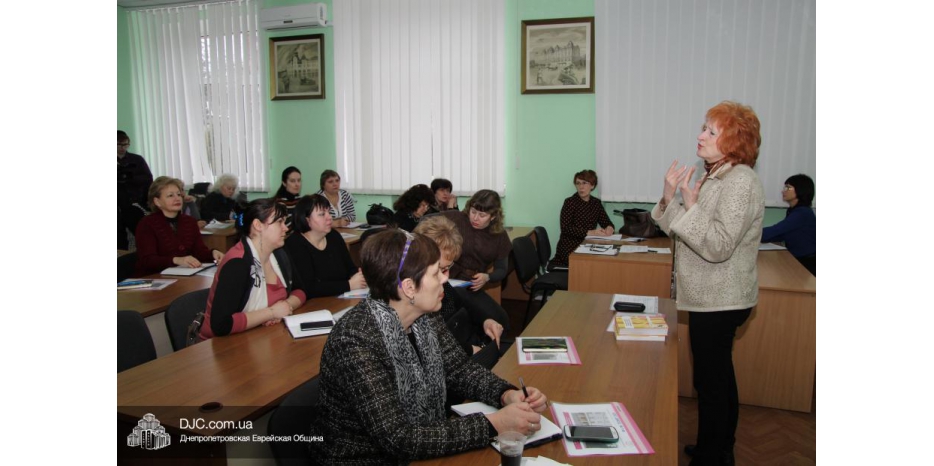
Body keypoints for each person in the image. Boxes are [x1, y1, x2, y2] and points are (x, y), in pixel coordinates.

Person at [309, 229, 547, 463]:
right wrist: (496, 424)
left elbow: (459, 369)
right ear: (409, 287)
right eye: (437, 273)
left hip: (418, 448)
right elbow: (399, 438)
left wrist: (506, 394)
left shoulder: (424, 315)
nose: (446, 278)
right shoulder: (355, 340)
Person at [651, 101, 764, 466]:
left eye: (711, 131)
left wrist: (691, 206)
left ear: (733, 140)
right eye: (704, 128)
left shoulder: (740, 181)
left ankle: (715, 456)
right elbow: (682, 231)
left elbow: (716, 246)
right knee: (713, 378)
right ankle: (712, 446)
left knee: (713, 383)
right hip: (708, 298)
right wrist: (671, 197)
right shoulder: (717, 175)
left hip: (722, 299)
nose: (700, 136)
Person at [199, 199, 306, 340]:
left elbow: (301, 290)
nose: (285, 228)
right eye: (279, 222)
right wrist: (271, 313)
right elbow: (221, 325)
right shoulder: (238, 263)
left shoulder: (278, 253)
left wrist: (286, 306)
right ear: (257, 225)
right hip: (222, 346)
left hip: (262, 336)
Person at [414, 216, 510, 371]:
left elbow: (462, 306)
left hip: (468, 352)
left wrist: (485, 321)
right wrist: (472, 350)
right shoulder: (416, 302)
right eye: (439, 269)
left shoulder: (443, 287)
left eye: (447, 268)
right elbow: (438, 346)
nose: (445, 277)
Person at [441, 190, 513, 339]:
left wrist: (487, 277)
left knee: (501, 319)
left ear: (493, 216)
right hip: (445, 280)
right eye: (473, 212)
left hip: (470, 285)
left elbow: (502, 269)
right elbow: (425, 224)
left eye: (482, 215)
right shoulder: (456, 219)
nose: (475, 218)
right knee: (470, 316)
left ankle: (489, 349)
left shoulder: (499, 236)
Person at [134, 177, 224, 276]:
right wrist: (176, 260)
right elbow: (147, 260)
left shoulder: (190, 221)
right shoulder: (147, 224)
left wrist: (213, 253)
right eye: (170, 196)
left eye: (179, 194)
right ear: (157, 201)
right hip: (154, 278)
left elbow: (200, 252)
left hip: (184, 277)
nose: (177, 198)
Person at [283, 194, 367, 298]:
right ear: (307, 219)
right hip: (314, 304)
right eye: (322, 214)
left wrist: (359, 276)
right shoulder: (295, 244)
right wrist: (348, 285)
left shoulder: (334, 236)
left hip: (340, 297)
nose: (329, 218)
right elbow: (308, 288)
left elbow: (350, 268)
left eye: (329, 212)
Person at [551, 169, 615, 268]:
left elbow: (606, 222)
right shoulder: (570, 202)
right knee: (592, 266)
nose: (581, 187)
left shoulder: (596, 203)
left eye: (585, 183)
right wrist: (590, 232)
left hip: (588, 246)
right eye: (578, 183)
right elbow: (566, 228)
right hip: (570, 248)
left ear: (592, 185)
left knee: (605, 263)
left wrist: (610, 228)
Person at [761, 174, 816, 276]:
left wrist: (749, 235)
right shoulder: (793, 210)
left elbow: (777, 230)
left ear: (800, 190)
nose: (783, 191)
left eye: (788, 187)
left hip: (807, 264)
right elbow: (782, 234)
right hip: (798, 259)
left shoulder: (802, 213)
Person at [117, 130, 154, 250]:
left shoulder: (136, 160)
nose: (122, 148)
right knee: (118, 236)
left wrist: (130, 177)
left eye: (125, 145)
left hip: (135, 202)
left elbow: (148, 179)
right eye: (118, 145)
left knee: (141, 233)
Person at [274, 167, 302, 233]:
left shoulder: (301, 201)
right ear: (284, 183)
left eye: (299, 180)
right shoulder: (279, 203)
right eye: (292, 181)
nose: (297, 184)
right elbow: (284, 228)